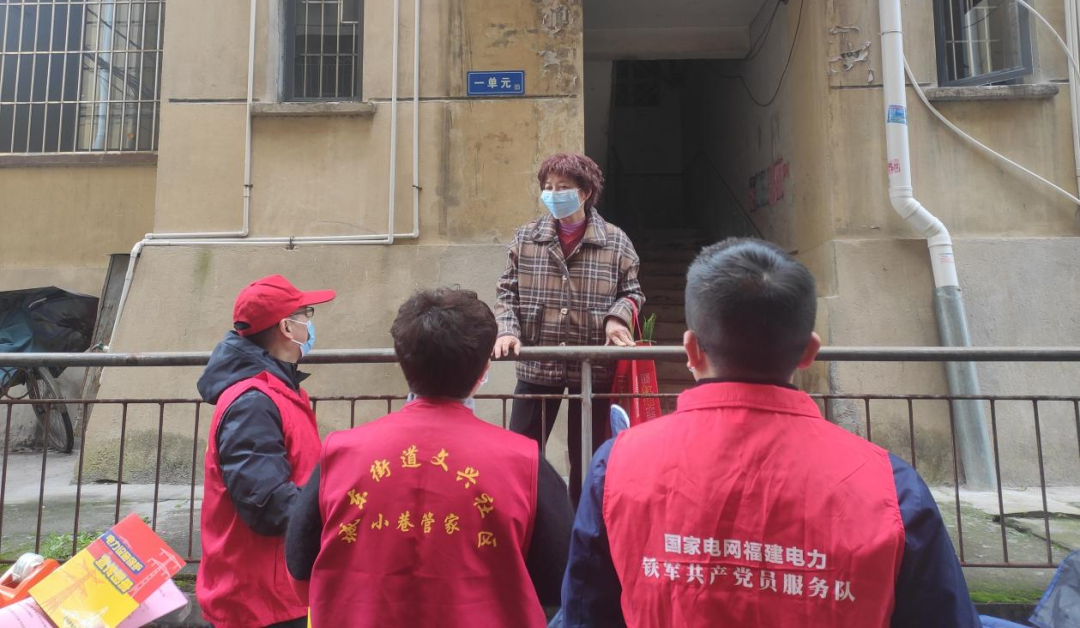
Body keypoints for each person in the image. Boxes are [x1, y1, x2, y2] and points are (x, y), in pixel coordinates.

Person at [561, 239, 980, 627]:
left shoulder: (616, 466)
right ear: (809, 351)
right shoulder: (894, 489)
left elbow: (584, 615)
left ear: (691, 349)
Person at [285, 288, 575, 627]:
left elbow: (300, 570)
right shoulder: (524, 463)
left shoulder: (340, 454)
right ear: (484, 368)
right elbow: (559, 582)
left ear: (402, 360)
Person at [494, 152, 645, 506]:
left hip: (591, 366)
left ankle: (582, 525)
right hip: (537, 362)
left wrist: (617, 318)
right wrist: (507, 330)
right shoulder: (527, 238)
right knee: (522, 454)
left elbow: (632, 292)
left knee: (588, 459)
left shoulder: (615, 241)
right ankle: (528, 520)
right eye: (548, 187)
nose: (553, 194)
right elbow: (506, 292)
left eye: (563, 187)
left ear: (585, 192)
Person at [196, 274, 335, 628]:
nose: (310, 324)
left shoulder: (278, 390)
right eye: (306, 315)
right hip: (259, 599)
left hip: (276, 589)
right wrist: (338, 510)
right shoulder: (254, 403)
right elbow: (268, 504)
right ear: (287, 328)